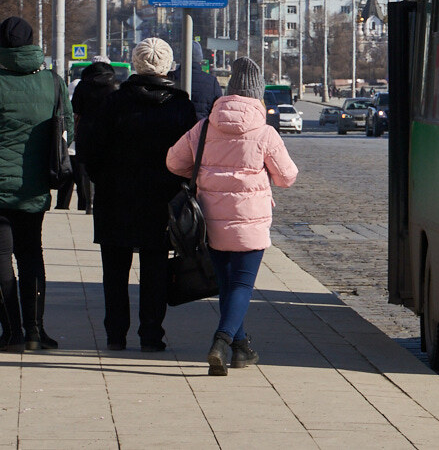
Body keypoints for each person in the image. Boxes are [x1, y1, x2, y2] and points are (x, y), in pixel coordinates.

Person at [167, 56, 298, 376]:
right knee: (241, 285)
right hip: (250, 224)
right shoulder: (265, 133)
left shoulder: (204, 126)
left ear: (228, 92)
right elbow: (286, 177)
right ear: (257, 96)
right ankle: (221, 341)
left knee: (227, 285)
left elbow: (173, 162)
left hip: (210, 221)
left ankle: (241, 348)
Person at [0, 16, 73, 352]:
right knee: (32, 253)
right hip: (34, 187)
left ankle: (11, 333)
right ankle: (36, 331)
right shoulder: (52, 81)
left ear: (2, 44)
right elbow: (68, 133)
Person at [77, 38, 196, 352]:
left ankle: (115, 335)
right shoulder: (180, 105)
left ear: (136, 62)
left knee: (114, 272)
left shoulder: (113, 102)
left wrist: (102, 180)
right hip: (162, 200)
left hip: (115, 198)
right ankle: (151, 335)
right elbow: (191, 157)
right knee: (156, 269)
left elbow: (91, 150)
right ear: (167, 65)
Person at [57, 61, 119, 212]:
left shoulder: (83, 85)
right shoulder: (115, 86)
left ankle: (89, 203)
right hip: (109, 131)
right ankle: (104, 200)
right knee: (106, 166)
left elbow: (76, 110)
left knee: (85, 168)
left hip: (86, 129)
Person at [170, 41, 223, 120]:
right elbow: (219, 109)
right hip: (201, 129)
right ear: (200, 59)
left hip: (174, 128)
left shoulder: (171, 78)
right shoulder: (212, 82)